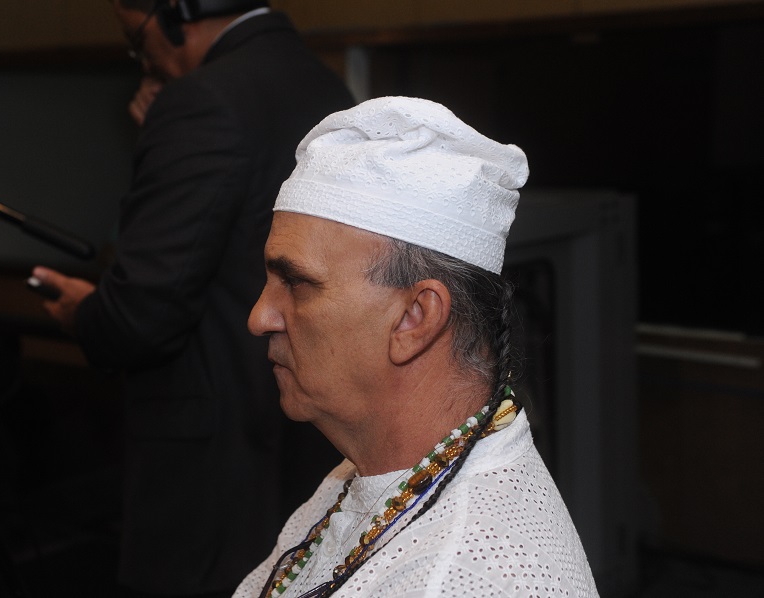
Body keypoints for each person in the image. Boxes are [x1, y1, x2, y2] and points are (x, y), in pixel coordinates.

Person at [30, 1, 354, 596]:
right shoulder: (327, 86)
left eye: (137, 38)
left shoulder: (198, 101)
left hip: (214, 462)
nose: (143, 59)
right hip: (309, 433)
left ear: (177, 12)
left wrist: (86, 314)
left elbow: (141, 312)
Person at [234, 96, 600, 597]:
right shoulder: (381, 475)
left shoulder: (466, 578)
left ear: (414, 319)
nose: (259, 317)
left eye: (296, 284)